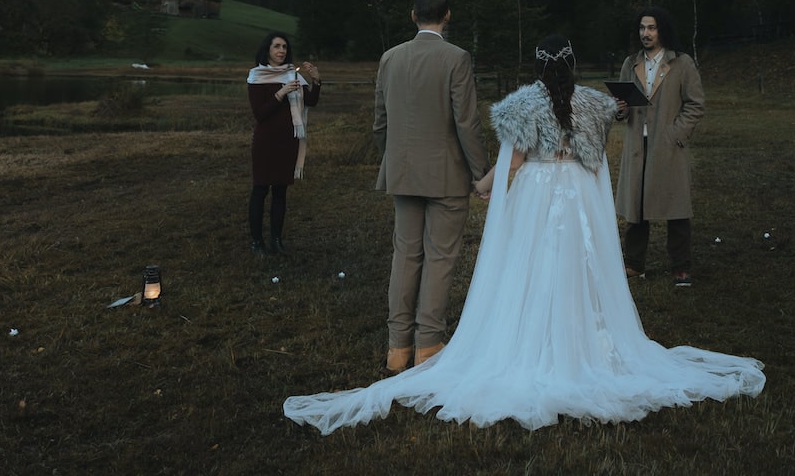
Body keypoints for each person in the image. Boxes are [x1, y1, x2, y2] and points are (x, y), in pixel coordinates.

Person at [283, 35, 764, 432]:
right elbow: (594, 158)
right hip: (574, 195)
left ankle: (529, 342)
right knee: (577, 268)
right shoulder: (596, 104)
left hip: (537, 194)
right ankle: (582, 344)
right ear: (574, 65)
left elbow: (511, 161)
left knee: (530, 267)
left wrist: (483, 186)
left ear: (538, 68)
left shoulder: (523, 104)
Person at [370, 0, 489, 373]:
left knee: (405, 255)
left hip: (403, 171)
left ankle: (397, 349)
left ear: (412, 15)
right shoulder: (456, 58)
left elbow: (381, 122)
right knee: (439, 258)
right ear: (447, 15)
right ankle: (429, 345)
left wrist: (395, 159)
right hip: (446, 176)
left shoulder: (390, 57)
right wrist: (480, 172)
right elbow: (467, 122)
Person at [614, 7, 705, 287]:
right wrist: (620, 109)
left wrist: (675, 134)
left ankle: (681, 266)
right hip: (636, 146)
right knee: (636, 206)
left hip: (667, 146)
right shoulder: (631, 63)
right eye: (642, 28)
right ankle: (634, 263)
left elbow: (695, 103)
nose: (646, 33)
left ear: (662, 30)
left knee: (674, 206)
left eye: (651, 28)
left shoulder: (682, 63)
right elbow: (621, 107)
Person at [246, 31, 321, 255]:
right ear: (267, 50)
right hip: (266, 142)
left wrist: (316, 80)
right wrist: (281, 93)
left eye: (285, 47)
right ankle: (257, 242)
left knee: (280, 191)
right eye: (277, 46)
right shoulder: (257, 76)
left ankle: (277, 239)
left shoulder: (292, 75)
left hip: (288, 141)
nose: (281, 51)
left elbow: (311, 101)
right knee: (260, 190)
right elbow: (260, 114)